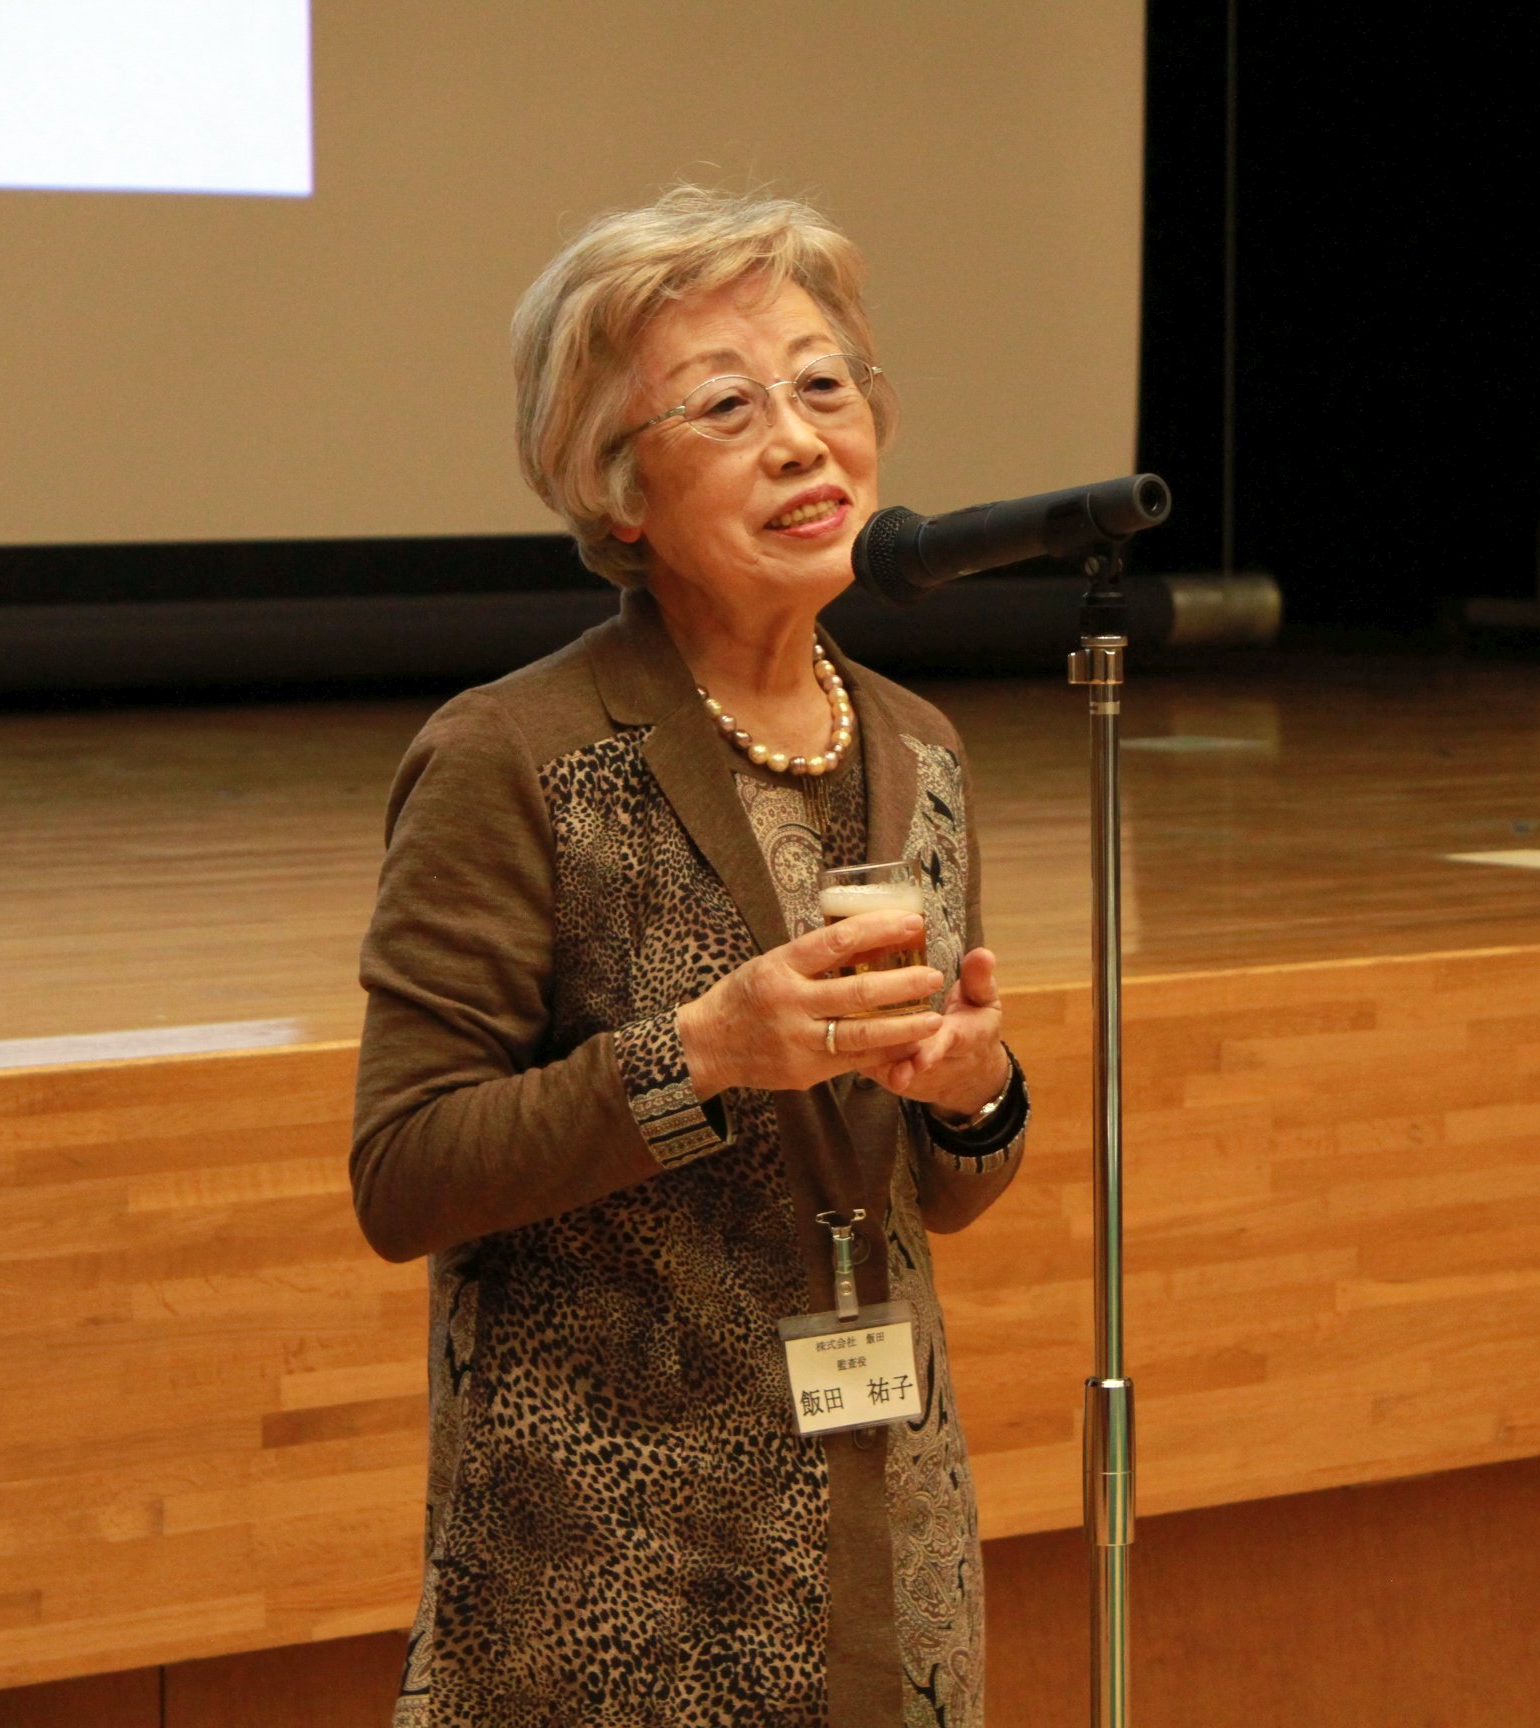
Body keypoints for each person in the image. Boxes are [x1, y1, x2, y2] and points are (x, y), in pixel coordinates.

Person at [349, 185, 1029, 1728]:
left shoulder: (919, 751)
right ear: (617, 487)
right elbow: (403, 1172)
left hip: (888, 1550)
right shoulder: (509, 758)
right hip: (617, 1575)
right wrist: (703, 1055)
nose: (800, 438)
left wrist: (973, 1092)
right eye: (728, 406)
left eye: (824, 385)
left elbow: (934, 1190)